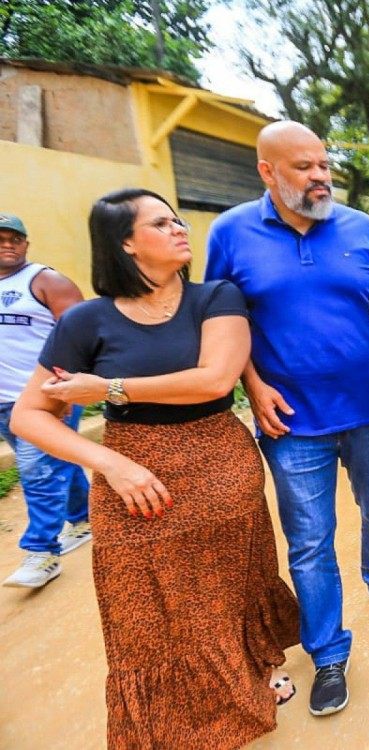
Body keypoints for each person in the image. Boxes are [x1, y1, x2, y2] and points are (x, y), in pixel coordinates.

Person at [13, 188, 300, 748]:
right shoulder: (86, 322)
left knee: (227, 584)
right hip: (130, 470)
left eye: (177, 220)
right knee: (142, 603)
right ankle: (171, 714)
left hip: (217, 459)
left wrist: (108, 388)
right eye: (161, 223)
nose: (179, 229)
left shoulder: (215, 297)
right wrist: (108, 462)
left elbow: (216, 378)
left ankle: (254, 672)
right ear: (126, 243)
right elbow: (29, 415)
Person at [206, 121, 369, 716]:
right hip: (292, 421)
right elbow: (224, 322)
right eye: (303, 167)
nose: (320, 176)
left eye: (323, 165)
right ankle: (328, 653)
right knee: (308, 540)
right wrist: (254, 386)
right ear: (267, 172)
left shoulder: (361, 229)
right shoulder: (231, 234)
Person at [0, 214, 91, 589]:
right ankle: (84, 518)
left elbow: (82, 334)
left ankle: (41, 552)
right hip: (4, 403)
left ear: (26, 244)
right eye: (1, 238)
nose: (8, 244)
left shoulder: (45, 281)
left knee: (38, 473)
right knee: (57, 463)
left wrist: (69, 387)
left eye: (15, 238)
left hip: (45, 399)